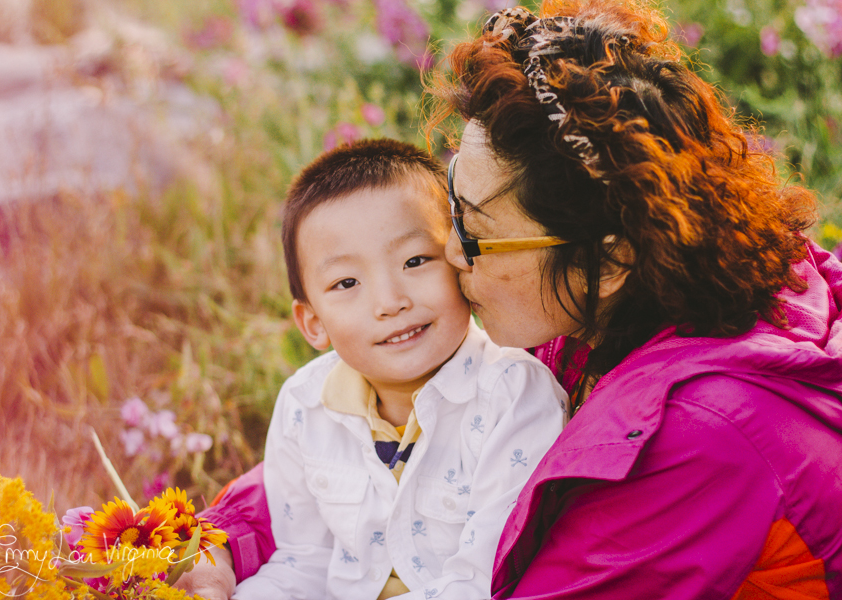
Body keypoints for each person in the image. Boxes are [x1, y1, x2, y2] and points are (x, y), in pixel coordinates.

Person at [182, 0, 842, 597]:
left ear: (611, 258)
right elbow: (351, 457)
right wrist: (222, 541)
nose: (447, 255)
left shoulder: (698, 436)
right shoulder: (598, 307)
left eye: (476, 234)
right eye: (451, 209)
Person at [215, 138, 565, 600]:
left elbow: (481, 581)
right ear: (314, 323)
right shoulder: (305, 406)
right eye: (347, 282)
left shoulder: (513, 396)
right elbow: (303, 562)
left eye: (415, 260)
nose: (390, 302)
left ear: (462, 260)